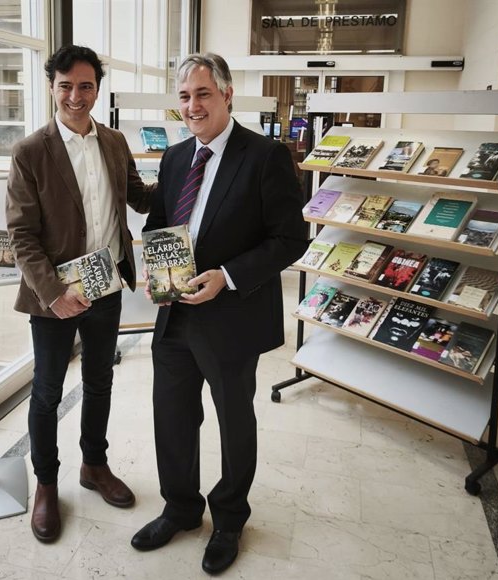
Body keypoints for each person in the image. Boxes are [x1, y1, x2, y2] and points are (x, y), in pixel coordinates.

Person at [130, 53, 308, 574]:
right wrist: (155, 265)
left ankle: (229, 517)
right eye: (184, 96)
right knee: (172, 415)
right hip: (174, 314)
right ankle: (181, 508)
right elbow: (160, 223)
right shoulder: (175, 157)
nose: (193, 106)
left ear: (227, 95)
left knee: (234, 421)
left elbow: (290, 239)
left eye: (203, 94)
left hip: (231, 316)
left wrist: (226, 277)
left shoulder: (265, 156)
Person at [6, 45, 153, 543]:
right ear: (51, 86)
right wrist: (52, 293)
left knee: (99, 381)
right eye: (66, 85)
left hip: (106, 286)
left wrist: (191, 164)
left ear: (97, 89)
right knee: (47, 392)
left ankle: (94, 465)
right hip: (56, 296)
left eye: (86, 85)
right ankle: (46, 483)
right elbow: (21, 236)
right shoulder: (30, 152)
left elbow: (139, 195)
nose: (76, 95)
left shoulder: (113, 141)